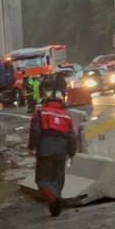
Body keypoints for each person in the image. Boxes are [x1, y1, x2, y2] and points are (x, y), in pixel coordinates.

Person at [28, 78, 79, 217]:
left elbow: (35, 132)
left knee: (42, 180)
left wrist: (31, 147)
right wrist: (72, 152)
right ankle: (55, 204)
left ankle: (54, 199)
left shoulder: (40, 113)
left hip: (45, 151)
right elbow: (72, 137)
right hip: (61, 152)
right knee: (58, 180)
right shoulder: (66, 116)